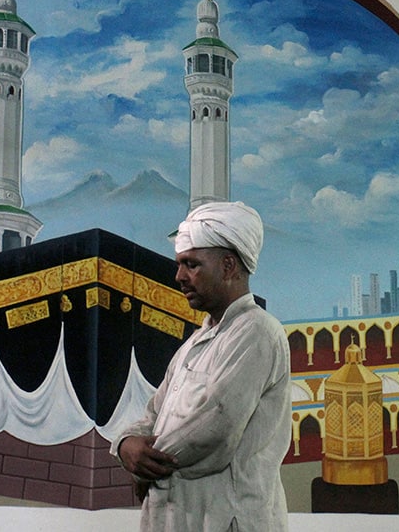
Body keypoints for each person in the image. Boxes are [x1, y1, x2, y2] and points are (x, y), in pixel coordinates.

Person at [111, 201, 291, 531]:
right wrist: (125, 444)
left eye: (191, 264)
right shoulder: (194, 344)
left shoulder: (257, 331)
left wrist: (143, 464)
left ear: (227, 266)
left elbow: (214, 428)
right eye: (180, 264)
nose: (179, 276)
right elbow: (154, 413)